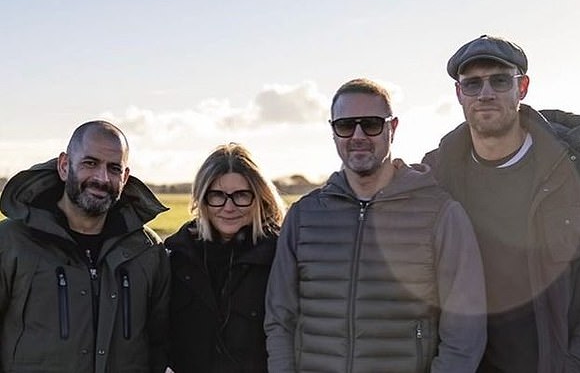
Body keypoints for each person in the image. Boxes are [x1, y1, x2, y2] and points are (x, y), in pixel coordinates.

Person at [422, 34, 580, 372]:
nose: (486, 93)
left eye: (500, 80)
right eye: (473, 84)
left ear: (522, 87)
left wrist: (578, 359)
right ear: (459, 94)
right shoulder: (437, 173)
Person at [265, 78, 487, 373]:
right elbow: (280, 317)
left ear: (392, 128)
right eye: (345, 125)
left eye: (370, 124)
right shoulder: (304, 216)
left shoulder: (441, 214)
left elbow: (465, 329)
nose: (358, 135)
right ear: (333, 132)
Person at [0, 120, 171, 373]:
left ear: (125, 177)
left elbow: (160, 345)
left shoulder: (147, 251)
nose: (102, 178)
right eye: (90, 163)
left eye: (114, 168)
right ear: (64, 165)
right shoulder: (10, 242)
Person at [166, 142, 285, 373]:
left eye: (241, 195)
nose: (228, 207)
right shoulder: (176, 256)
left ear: (260, 198)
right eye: (217, 196)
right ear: (202, 200)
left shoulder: (280, 256)